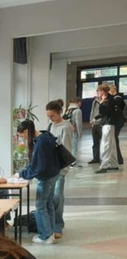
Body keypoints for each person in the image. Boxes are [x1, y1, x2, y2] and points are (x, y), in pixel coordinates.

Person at [16, 119, 60, 245]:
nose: (23, 138)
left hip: (46, 177)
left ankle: (45, 236)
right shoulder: (44, 136)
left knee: (40, 206)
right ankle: (50, 233)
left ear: (26, 131)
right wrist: (25, 172)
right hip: (53, 173)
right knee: (48, 204)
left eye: (22, 135)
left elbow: (38, 166)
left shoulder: (40, 143)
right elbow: (37, 162)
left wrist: (23, 174)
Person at [46, 100, 73, 240]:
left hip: (60, 168)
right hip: (50, 167)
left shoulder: (65, 128)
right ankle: (51, 224)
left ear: (59, 113)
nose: (50, 118)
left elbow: (66, 150)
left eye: (52, 116)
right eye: (48, 116)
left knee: (58, 197)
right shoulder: (51, 125)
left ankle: (58, 226)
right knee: (50, 197)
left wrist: (63, 170)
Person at [96, 83, 120, 173]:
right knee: (112, 145)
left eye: (99, 91)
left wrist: (101, 103)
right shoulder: (110, 99)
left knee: (106, 145)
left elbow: (103, 112)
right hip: (110, 124)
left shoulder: (108, 100)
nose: (98, 93)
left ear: (103, 91)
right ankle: (114, 164)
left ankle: (104, 166)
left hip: (108, 124)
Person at [108, 83, 125, 165]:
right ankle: (118, 158)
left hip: (118, 122)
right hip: (118, 121)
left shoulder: (117, 99)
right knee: (114, 139)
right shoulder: (118, 98)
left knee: (114, 139)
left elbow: (117, 111)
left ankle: (118, 159)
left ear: (111, 90)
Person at [64, 98, 82, 164]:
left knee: (68, 145)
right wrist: (80, 133)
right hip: (74, 130)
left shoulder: (67, 109)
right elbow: (78, 123)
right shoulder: (77, 110)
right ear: (78, 103)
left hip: (67, 129)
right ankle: (73, 162)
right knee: (74, 146)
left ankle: (67, 160)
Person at [88, 92, 102, 164]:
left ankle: (106, 159)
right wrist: (91, 120)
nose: (99, 94)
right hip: (94, 123)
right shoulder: (95, 101)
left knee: (105, 142)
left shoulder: (105, 101)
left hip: (101, 124)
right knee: (95, 142)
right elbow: (92, 111)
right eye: (98, 92)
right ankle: (96, 158)